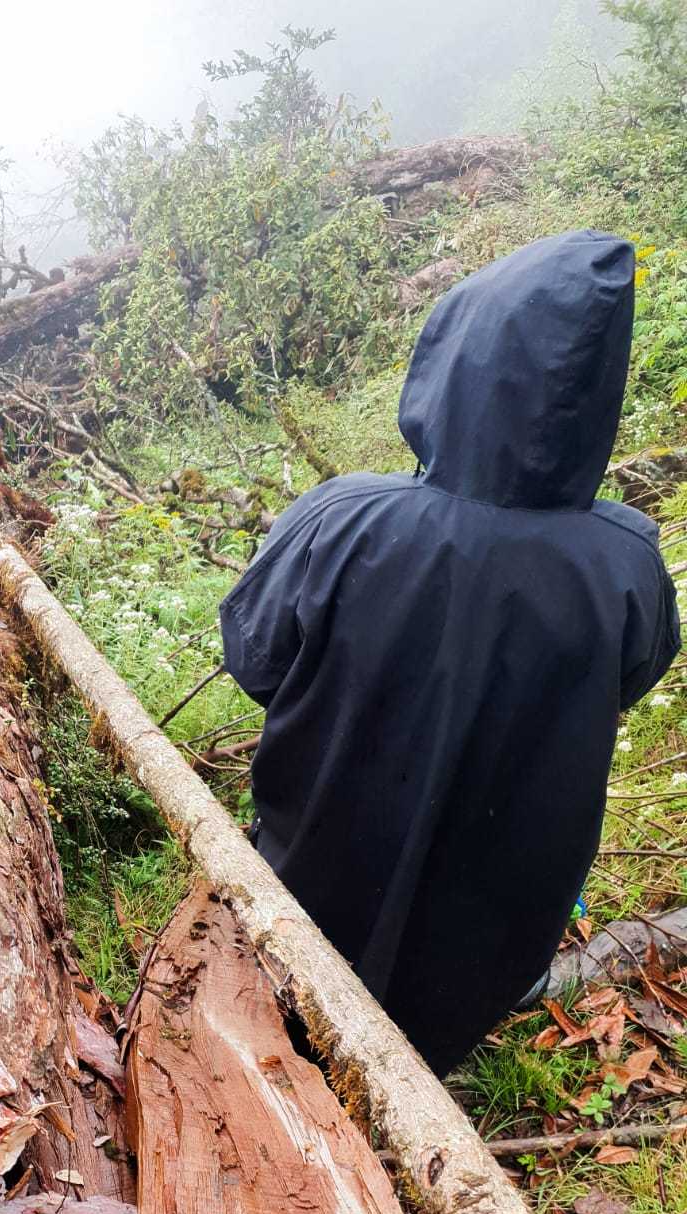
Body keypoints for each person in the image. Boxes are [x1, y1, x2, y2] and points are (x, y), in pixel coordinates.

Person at [220, 230, 680, 1077]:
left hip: (306, 890)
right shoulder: (626, 564)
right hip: (486, 955)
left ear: (454, 356)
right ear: (593, 392)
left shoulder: (342, 522)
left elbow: (257, 662)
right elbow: (631, 676)